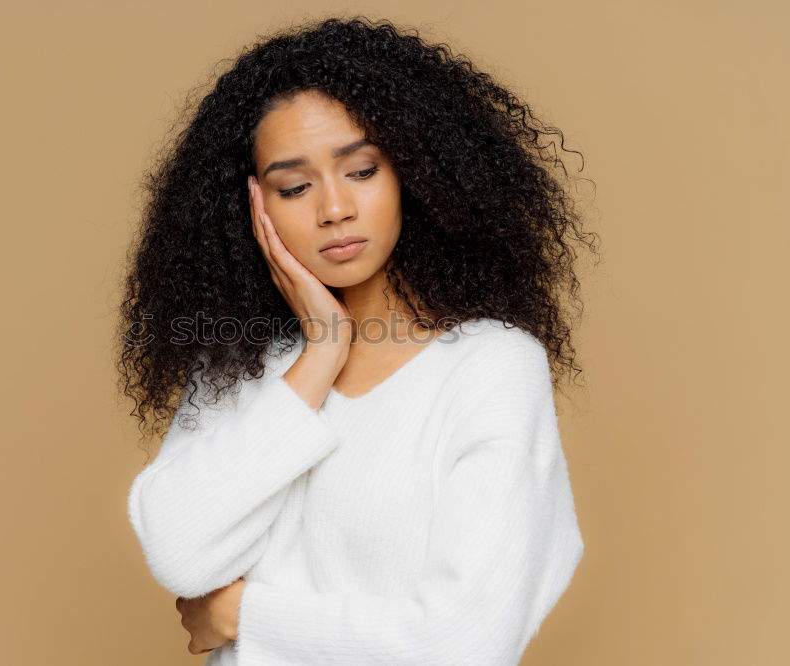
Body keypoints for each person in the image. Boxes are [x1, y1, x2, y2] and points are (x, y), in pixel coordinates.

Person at [117, 15, 600, 665]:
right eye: (294, 187)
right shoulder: (243, 362)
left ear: (415, 171)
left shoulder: (492, 366)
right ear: (253, 205)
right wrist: (321, 351)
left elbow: (462, 643)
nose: (334, 208)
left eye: (362, 171)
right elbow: (179, 551)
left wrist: (240, 614)